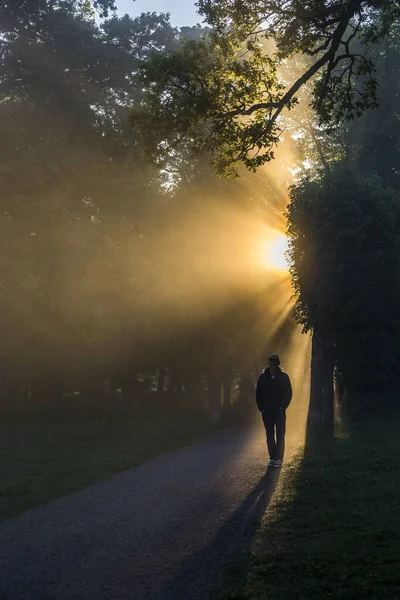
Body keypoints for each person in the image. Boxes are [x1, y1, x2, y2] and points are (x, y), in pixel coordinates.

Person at [256, 354, 292, 468]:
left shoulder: (284, 377)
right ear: (268, 363)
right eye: (271, 361)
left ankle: (279, 459)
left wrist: (283, 406)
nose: (272, 364)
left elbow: (289, 392)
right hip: (267, 411)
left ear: (278, 364)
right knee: (269, 434)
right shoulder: (262, 378)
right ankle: (272, 457)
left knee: (280, 434)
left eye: (275, 362)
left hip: (279, 410)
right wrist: (261, 408)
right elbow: (258, 393)